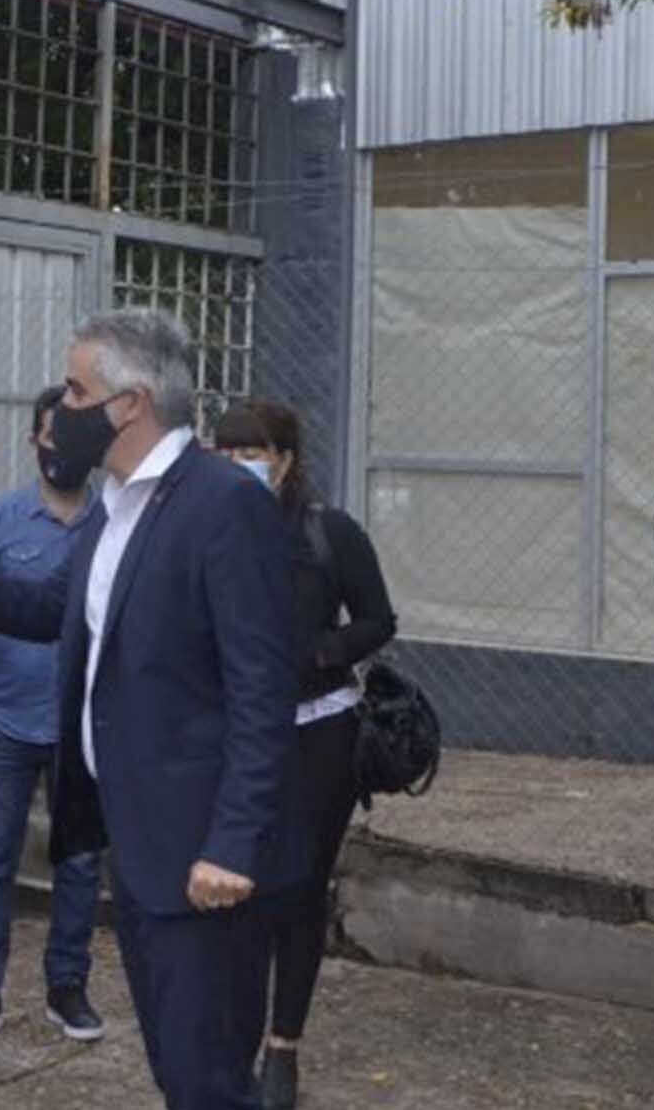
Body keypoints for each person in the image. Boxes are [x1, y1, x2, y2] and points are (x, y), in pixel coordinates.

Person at [0, 308, 303, 1110]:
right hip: (139, 842)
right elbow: (50, 611)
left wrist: (231, 844)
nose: (61, 411)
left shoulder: (221, 503)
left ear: (129, 403)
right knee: (178, 1068)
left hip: (201, 858)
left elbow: (262, 687)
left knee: (209, 1075)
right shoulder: (115, 505)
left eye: (76, 390)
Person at [213, 399, 396, 1110]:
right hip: (233, 735)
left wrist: (324, 649)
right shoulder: (205, 530)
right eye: (223, 454)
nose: (236, 467)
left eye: (250, 453)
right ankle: (230, 1034)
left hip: (318, 731)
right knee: (232, 884)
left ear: (285, 459)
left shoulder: (328, 532)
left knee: (296, 891)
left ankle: (281, 1047)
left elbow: (378, 617)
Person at [0, 385, 105, 1051]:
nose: (58, 447)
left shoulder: (112, 524)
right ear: (32, 438)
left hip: (82, 730)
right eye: (49, 433)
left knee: (82, 864)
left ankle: (68, 986)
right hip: (2, 724)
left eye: (72, 434)